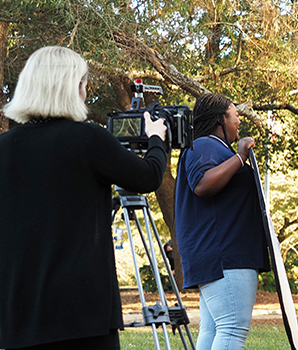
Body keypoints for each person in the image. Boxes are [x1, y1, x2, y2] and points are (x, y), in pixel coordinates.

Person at [0, 46, 168, 349]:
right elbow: (147, 177)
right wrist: (157, 139)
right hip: (81, 313)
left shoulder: (5, 146)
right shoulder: (88, 138)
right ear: (71, 87)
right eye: (83, 84)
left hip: (18, 313)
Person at [175, 93, 270, 350]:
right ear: (220, 119)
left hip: (221, 255)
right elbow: (202, 184)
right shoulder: (205, 145)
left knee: (214, 329)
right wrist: (239, 158)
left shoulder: (212, 147)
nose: (239, 121)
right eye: (235, 116)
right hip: (225, 256)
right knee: (232, 329)